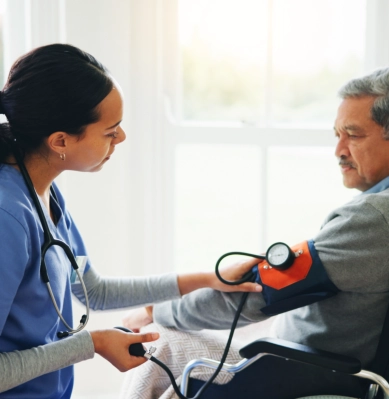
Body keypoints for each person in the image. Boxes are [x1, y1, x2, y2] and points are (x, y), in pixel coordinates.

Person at [0, 43, 262, 398]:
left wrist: (208, 279)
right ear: (60, 140)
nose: (121, 138)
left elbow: (94, 291)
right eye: (111, 131)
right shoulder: (8, 219)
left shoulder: (44, 193)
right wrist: (91, 344)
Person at [122, 67, 389, 398]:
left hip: (310, 369)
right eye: (337, 134)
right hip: (316, 349)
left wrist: (154, 310)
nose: (339, 150)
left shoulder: (374, 218)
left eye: (354, 134)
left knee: (160, 341)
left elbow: (258, 292)